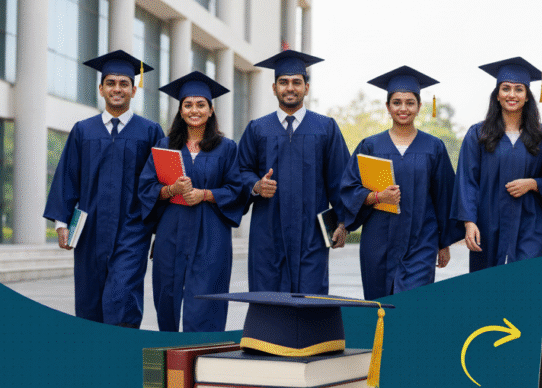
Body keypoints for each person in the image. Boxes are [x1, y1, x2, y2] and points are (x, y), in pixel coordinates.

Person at [43, 50, 165, 325]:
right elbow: (67, 177)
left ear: (134, 90)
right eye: (111, 83)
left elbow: (160, 183)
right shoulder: (83, 130)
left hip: (133, 228)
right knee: (89, 300)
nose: (117, 89)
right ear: (101, 88)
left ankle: (121, 359)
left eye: (124, 84)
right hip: (89, 227)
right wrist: (61, 223)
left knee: (122, 297)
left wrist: (161, 231)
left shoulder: (150, 132)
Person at [136, 71, 245, 332]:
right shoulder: (165, 146)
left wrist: (204, 194)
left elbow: (237, 188)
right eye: (188, 105)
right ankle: (172, 356)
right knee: (167, 295)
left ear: (210, 110)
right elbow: (146, 188)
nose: (194, 110)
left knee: (206, 300)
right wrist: (171, 189)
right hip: (172, 231)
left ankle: (203, 357)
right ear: (180, 110)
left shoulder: (227, 148)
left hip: (211, 232)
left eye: (200, 105)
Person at [340, 66, 459, 300]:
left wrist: (443, 243)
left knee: (414, 305)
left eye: (410, 102)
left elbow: (444, 196)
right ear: (387, 107)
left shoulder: (434, 147)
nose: (403, 108)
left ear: (419, 106)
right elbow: (349, 188)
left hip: (421, 242)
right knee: (379, 305)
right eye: (396, 102)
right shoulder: (370, 146)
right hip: (378, 242)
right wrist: (376, 197)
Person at [237, 50, 351, 293]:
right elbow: (240, 171)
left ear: (306, 88)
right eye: (283, 82)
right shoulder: (257, 129)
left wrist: (342, 222)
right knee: (268, 302)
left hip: (311, 233)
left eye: (296, 82)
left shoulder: (325, 127)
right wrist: (256, 186)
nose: (290, 87)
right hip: (268, 233)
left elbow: (341, 179)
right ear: (274, 87)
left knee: (310, 303)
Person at [452, 57, 542, 271]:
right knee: (487, 285)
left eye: (519, 89)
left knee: (527, 283)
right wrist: (469, 222)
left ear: (528, 96)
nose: (512, 95)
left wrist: (534, 184)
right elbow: (467, 181)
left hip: (530, 223)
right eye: (506, 88)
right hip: (487, 223)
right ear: (497, 95)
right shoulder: (478, 134)